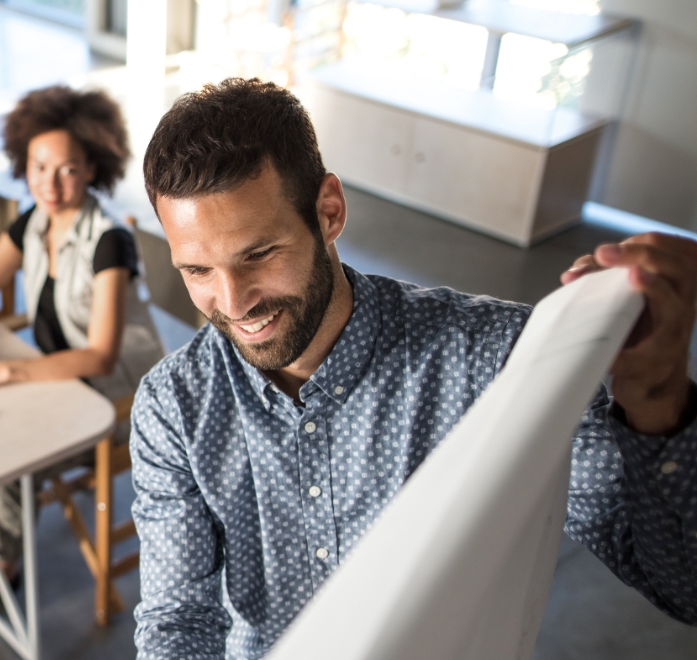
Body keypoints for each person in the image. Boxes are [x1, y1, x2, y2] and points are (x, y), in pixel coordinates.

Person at [130, 78, 697, 659]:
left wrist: (654, 400)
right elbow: (179, 621)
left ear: (329, 211)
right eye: (197, 271)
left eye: (258, 254)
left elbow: (681, 586)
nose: (234, 302)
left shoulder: (496, 359)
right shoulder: (174, 405)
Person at [0, 86, 165, 614]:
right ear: (22, 163)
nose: (50, 185)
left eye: (68, 169)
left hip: (117, 401)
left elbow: (100, 356)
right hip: (62, 380)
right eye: (38, 167)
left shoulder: (109, 242)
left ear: (93, 167)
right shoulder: (32, 221)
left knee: (9, 446)